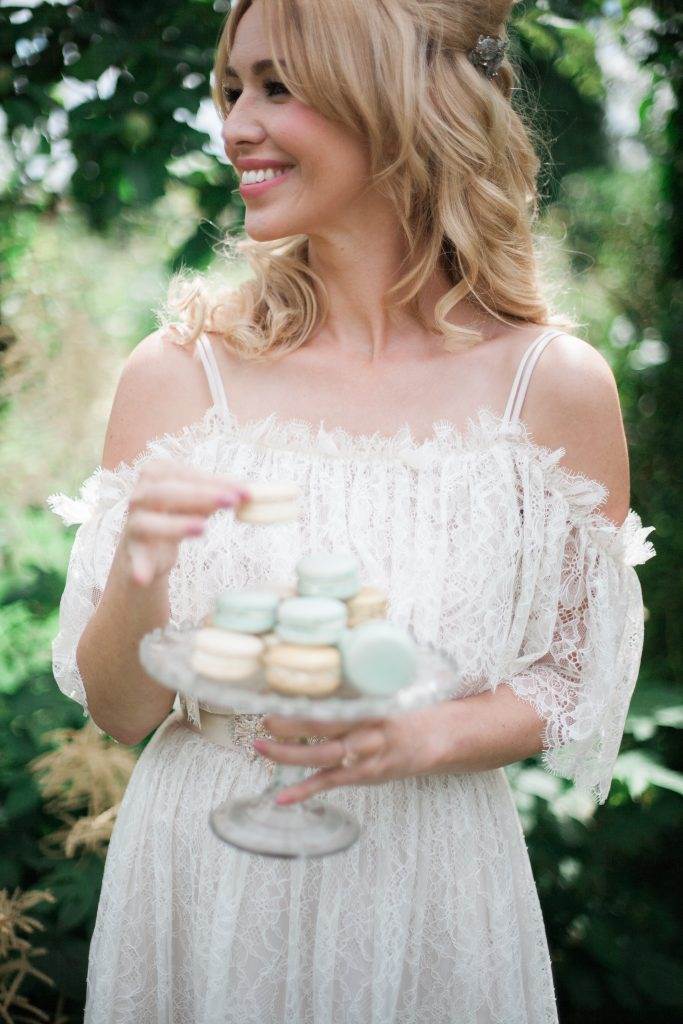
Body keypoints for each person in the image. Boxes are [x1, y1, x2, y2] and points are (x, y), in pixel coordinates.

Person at [46, 1, 656, 1021]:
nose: (236, 122)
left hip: (430, 887)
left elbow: (567, 670)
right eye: (232, 87)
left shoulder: (549, 386)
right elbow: (121, 710)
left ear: (400, 105)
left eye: (278, 87)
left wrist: (424, 739)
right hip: (203, 874)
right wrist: (140, 575)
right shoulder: (178, 373)